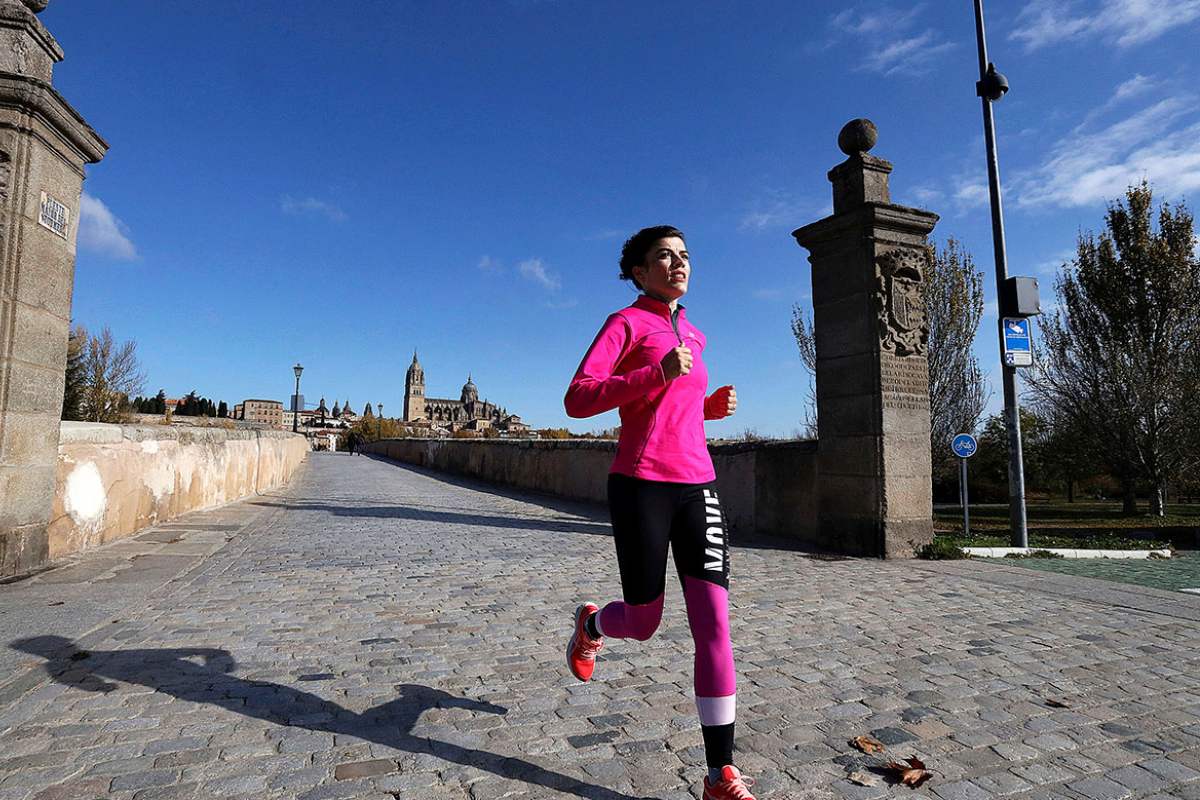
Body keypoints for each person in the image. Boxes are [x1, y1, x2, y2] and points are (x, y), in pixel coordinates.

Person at [563, 226, 752, 800]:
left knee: (714, 626)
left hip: (699, 486)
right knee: (643, 622)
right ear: (639, 271)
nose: (677, 264)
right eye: (664, 257)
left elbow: (676, 410)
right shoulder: (625, 323)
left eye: (684, 256)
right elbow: (578, 398)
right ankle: (592, 625)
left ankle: (720, 774)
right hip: (641, 484)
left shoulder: (694, 331)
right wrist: (656, 373)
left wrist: (707, 407)